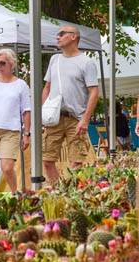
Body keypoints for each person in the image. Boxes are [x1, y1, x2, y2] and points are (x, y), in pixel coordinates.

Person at [41, 25, 99, 184]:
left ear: (73, 37)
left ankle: (70, 194)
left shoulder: (87, 62)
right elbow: (46, 88)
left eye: (61, 34)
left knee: (76, 162)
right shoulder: (54, 59)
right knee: (47, 160)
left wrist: (85, 119)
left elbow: (94, 91)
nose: (57, 37)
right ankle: (58, 191)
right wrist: (43, 114)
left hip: (76, 119)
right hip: (54, 118)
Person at [0, 48, 30, 192]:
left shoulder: (21, 85)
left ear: (11, 64)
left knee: (7, 167)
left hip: (11, 130)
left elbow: (26, 111)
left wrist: (27, 134)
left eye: (2, 63)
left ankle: (15, 194)